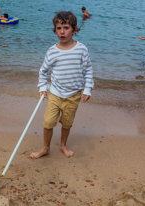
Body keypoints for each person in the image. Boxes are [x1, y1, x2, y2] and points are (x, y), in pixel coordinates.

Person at [30, 11, 94, 159]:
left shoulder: (81, 49)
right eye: (59, 28)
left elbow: (88, 69)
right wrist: (42, 87)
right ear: (55, 30)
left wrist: (88, 88)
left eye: (66, 28)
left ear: (74, 30)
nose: (62, 32)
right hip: (55, 93)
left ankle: (63, 145)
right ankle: (45, 148)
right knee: (48, 122)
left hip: (74, 94)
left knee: (67, 123)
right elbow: (44, 71)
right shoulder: (52, 51)